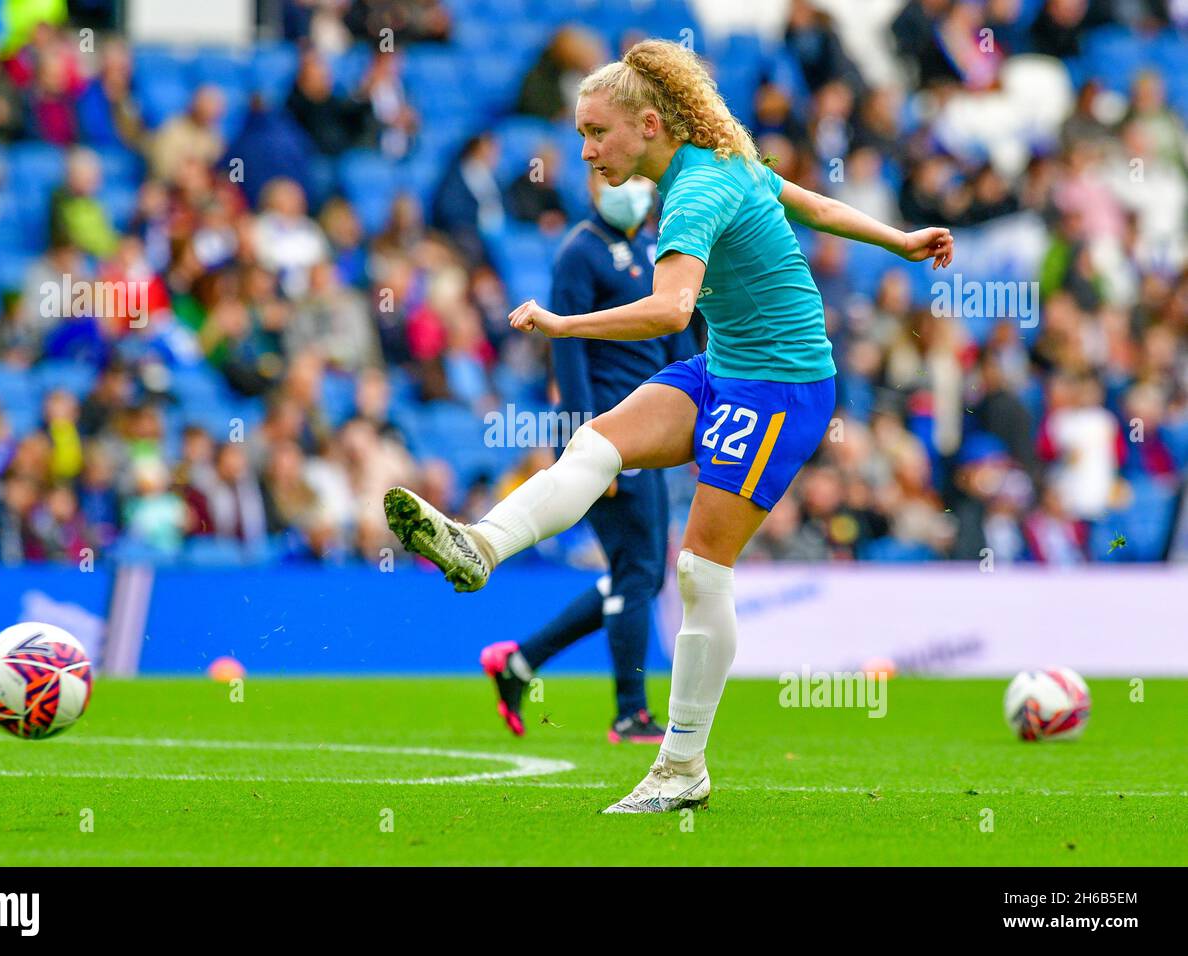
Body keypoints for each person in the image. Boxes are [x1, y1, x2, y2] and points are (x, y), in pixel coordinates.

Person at [383, 40, 953, 813]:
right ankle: (480, 547)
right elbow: (811, 204)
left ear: (649, 124)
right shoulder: (721, 164)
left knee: (699, 572)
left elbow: (670, 310)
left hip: (781, 386)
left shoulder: (693, 192)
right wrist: (902, 239)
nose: (585, 152)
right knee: (597, 443)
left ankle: (682, 766)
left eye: (596, 133)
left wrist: (563, 323)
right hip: (723, 368)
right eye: (580, 135)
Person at [480, 167, 694, 744]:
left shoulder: (653, 246)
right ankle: (630, 713)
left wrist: (700, 418)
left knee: (639, 575)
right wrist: (584, 446)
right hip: (607, 435)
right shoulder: (579, 252)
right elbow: (566, 352)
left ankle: (520, 663)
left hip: (652, 427)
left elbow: (676, 341)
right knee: (641, 572)